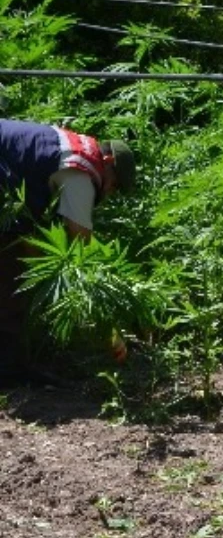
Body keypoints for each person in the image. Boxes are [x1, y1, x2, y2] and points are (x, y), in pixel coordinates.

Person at [0, 119, 136, 375]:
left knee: (17, 252)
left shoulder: (73, 145)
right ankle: (8, 370)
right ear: (107, 163)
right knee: (11, 272)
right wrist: (107, 326)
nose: (108, 193)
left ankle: (14, 360)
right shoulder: (83, 173)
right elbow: (78, 248)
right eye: (114, 185)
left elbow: (35, 241)